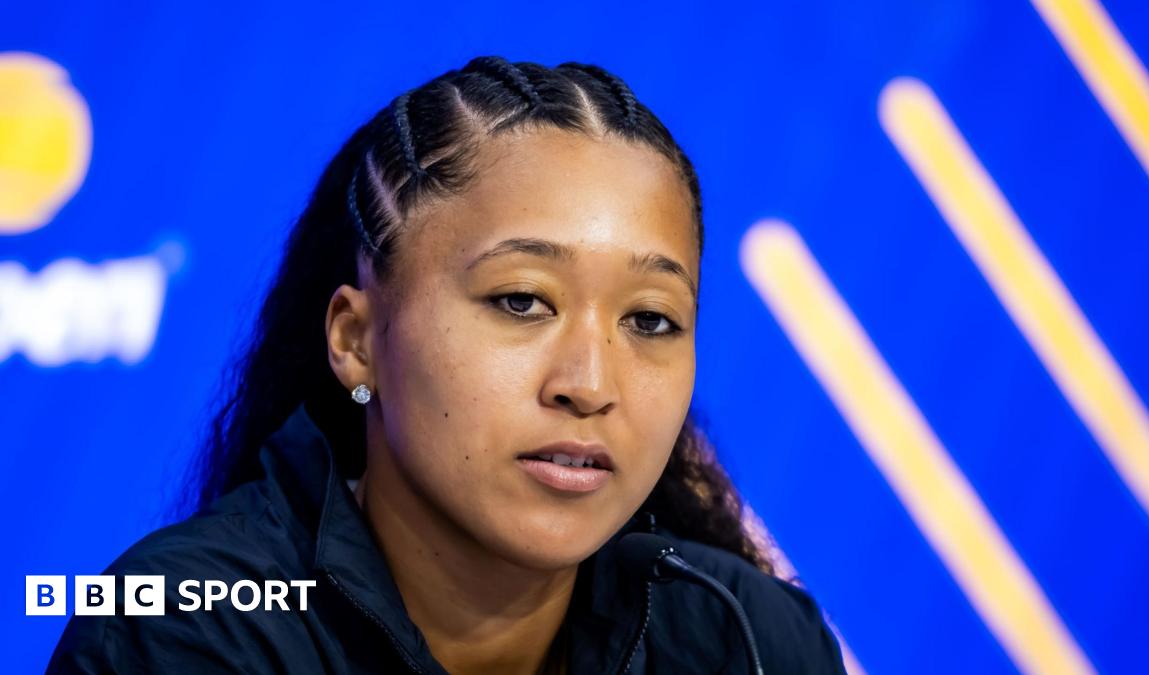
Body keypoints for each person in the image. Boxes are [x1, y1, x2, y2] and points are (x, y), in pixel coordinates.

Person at [47, 56, 847, 675]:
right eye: (522, 301)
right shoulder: (185, 632)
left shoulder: (745, 635)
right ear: (357, 340)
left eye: (649, 318)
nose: (591, 383)